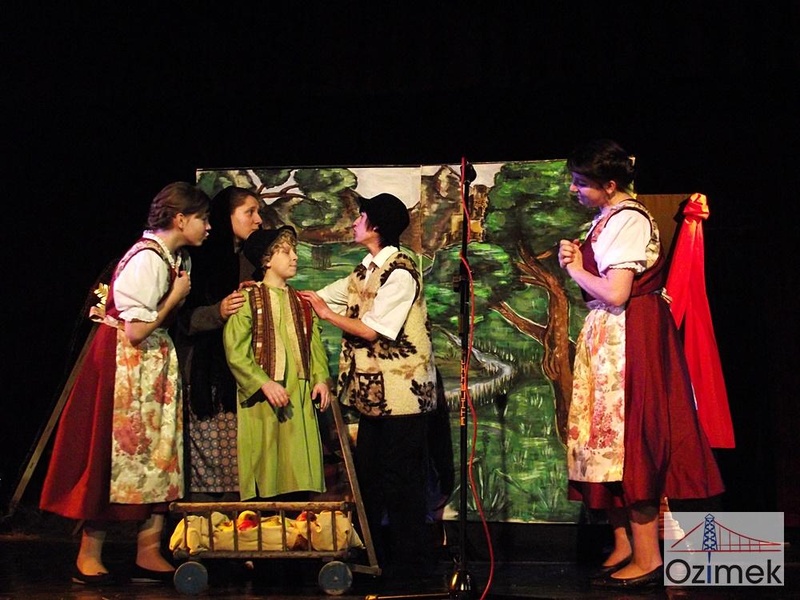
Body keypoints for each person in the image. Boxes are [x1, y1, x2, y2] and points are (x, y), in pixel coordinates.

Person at [558, 139, 724, 589]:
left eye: (582, 183)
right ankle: (625, 543)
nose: (575, 189)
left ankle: (649, 555)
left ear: (610, 185)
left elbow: (616, 292)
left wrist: (575, 269)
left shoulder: (628, 220)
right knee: (604, 440)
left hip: (632, 335)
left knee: (632, 439)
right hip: (610, 334)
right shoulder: (607, 218)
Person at [40, 182, 211, 585]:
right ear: (180, 219)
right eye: (202, 218)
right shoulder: (146, 259)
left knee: (159, 454)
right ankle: (88, 553)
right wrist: (174, 298)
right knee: (114, 453)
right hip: (125, 365)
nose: (208, 227)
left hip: (150, 366)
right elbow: (135, 330)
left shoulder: (175, 257)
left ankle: (147, 551)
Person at [299, 193, 438, 577]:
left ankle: (413, 565)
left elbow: (373, 329)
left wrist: (327, 315)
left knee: (402, 480)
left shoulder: (401, 272)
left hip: (404, 395)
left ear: (375, 225)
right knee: (370, 477)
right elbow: (322, 298)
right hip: (373, 396)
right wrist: (272, 294)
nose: (355, 222)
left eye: (361, 217)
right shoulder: (364, 271)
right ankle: (374, 556)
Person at [223, 226, 331, 500]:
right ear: (266, 259)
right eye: (286, 252)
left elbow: (315, 347)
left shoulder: (303, 302)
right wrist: (263, 382)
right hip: (264, 398)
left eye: (294, 250)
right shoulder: (248, 299)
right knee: (268, 466)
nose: (294, 256)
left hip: (299, 394)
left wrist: (320, 379)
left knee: (300, 470)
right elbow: (236, 351)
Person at [176, 186, 263, 499]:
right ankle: (205, 520)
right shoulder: (199, 260)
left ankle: (239, 520)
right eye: (249, 212)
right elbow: (181, 318)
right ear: (227, 216)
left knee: (239, 466)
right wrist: (219, 311)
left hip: (239, 375)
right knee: (210, 464)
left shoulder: (250, 261)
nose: (258, 220)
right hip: (204, 374)